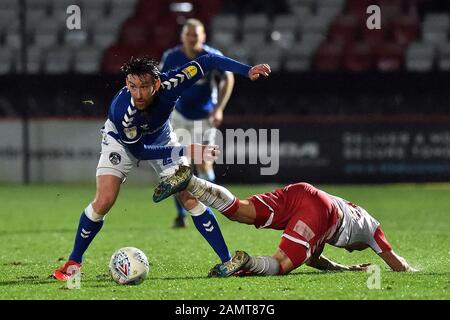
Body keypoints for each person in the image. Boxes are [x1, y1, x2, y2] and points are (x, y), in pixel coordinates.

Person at [52, 54, 271, 281]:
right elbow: (139, 152)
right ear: (127, 83)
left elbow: (207, 62)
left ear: (156, 84)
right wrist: (186, 151)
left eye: (144, 87)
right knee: (104, 200)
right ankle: (74, 262)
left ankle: (227, 261)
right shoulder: (123, 113)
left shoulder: (171, 83)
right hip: (120, 142)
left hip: (162, 138)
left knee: (189, 197)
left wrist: (247, 70)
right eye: (132, 86)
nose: (137, 94)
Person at [153, 166, 418, 277]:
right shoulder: (373, 230)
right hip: (322, 212)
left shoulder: (352, 212)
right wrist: (412, 272)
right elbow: (398, 264)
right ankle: (247, 263)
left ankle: (192, 182)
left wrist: (343, 269)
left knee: (239, 209)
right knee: (281, 265)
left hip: (305, 192)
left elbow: (312, 256)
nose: (349, 249)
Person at [160, 19, 235, 228]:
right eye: (188, 34)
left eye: (196, 35)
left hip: (204, 117)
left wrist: (219, 107)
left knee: (203, 163)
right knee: (178, 165)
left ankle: (212, 207)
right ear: (182, 36)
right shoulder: (172, 57)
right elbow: (160, 82)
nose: (191, 38)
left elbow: (228, 79)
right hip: (179, 116)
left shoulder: (211, 56)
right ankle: (181, 215)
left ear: (203, 37)